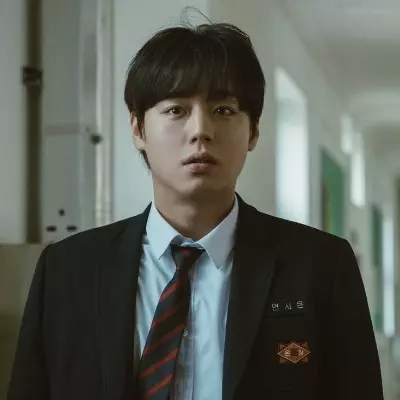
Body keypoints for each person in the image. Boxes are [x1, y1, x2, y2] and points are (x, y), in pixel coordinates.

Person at [8, 18, 383, 400]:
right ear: (138, 129)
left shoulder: (322, 266)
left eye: (223, 110)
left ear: (253, 131)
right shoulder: (67, 271)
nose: (200, 130)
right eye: (175, 110)